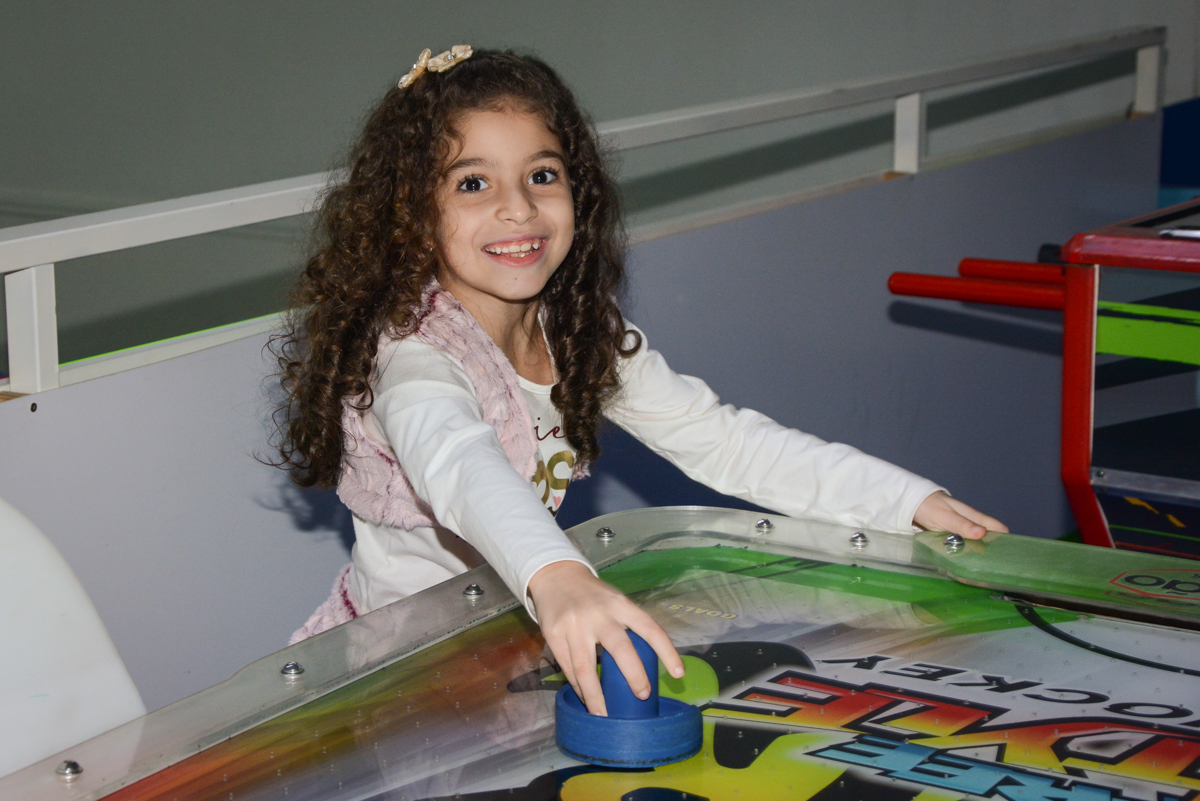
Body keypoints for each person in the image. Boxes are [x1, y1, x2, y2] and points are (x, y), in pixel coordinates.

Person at [274, 46, 1006, 716]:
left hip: (513, 639)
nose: (518, 207)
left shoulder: (576, 329)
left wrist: (904, 501)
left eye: (542, 174)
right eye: (472, 183)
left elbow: (723, 441)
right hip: (400, 675)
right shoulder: (412, 355)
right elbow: (459, 465)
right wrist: (560, 576)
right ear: (411, 214)